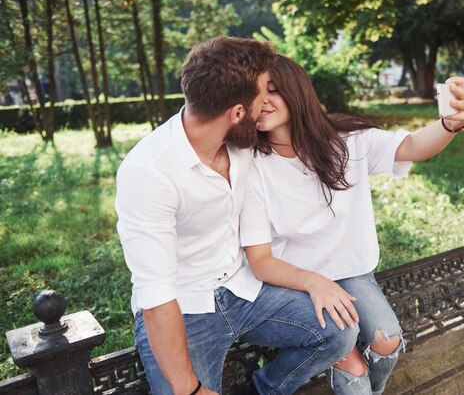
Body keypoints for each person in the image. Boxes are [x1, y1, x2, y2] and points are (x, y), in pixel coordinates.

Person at [115, 38, 358, 395]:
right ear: (238, 112)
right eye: (262, 96)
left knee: (339, 330)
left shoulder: (241, 145)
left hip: (244, 291)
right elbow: (155, 295)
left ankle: (263, 389)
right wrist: (190, 389)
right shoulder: (149, 172)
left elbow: (304, 140)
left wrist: (312, 280)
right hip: (183, 308)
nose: (265, 106)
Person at [240, 55, 464, 395]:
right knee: (353, 366)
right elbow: (260, 259)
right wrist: (313, 285)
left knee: (387, 342)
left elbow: (412, 147)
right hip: (291, 280)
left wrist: (450, 123)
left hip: (349, 269)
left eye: (272, 91)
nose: (261, 102)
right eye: (254, 95)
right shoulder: (251, 164)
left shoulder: (348, 140)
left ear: (296, 91)